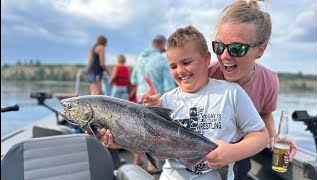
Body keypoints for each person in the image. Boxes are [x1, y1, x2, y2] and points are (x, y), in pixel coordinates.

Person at [143, 0, 297, 179]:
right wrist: (155, 108)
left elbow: (265, 113)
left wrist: (275, 138)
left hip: (240, 144)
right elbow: (178, 110)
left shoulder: (269, 81)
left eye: (236, 48)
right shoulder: (202, 75)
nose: (224, 56)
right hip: (194, 151)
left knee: (240, 170)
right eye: (219, 46)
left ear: (260, 51)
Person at [97, 25, 269, 179]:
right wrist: (122, 141)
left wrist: (233, 152)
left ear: (207, 59)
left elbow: (261, 136)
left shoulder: (231, 93)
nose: (180, 71)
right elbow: (159, 154)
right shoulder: (165, 102)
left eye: (186, 62)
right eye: (173, 66)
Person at [130, 34, 176, 173]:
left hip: (140, 98)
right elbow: (169, 84)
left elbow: (133, 80)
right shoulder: (162, 58)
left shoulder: (139, 59)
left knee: (136, 131)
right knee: (155, 133)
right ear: (162, 45)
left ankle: (136, 160)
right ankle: (151, 165)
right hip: (156, 100)